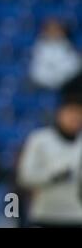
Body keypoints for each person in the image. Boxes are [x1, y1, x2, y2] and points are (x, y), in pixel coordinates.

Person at [17, 96, 82, 227]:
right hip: (44, 215)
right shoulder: (39, 140)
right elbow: (24, 177)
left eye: (79, 113)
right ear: (59, 113)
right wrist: (53, 176)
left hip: (76, 216)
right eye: (70, 112)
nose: (74, 118)